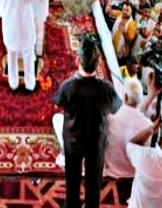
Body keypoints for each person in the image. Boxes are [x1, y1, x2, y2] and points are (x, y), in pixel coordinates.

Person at [52, 34, 121, 208]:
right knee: (93, 182)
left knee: (72, 179)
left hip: (73, 141)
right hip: (96, 142)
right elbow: (115, 108)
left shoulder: (68, 87)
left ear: (78, 61)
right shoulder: (106, 89)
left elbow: (57, 102)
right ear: (98, 64)